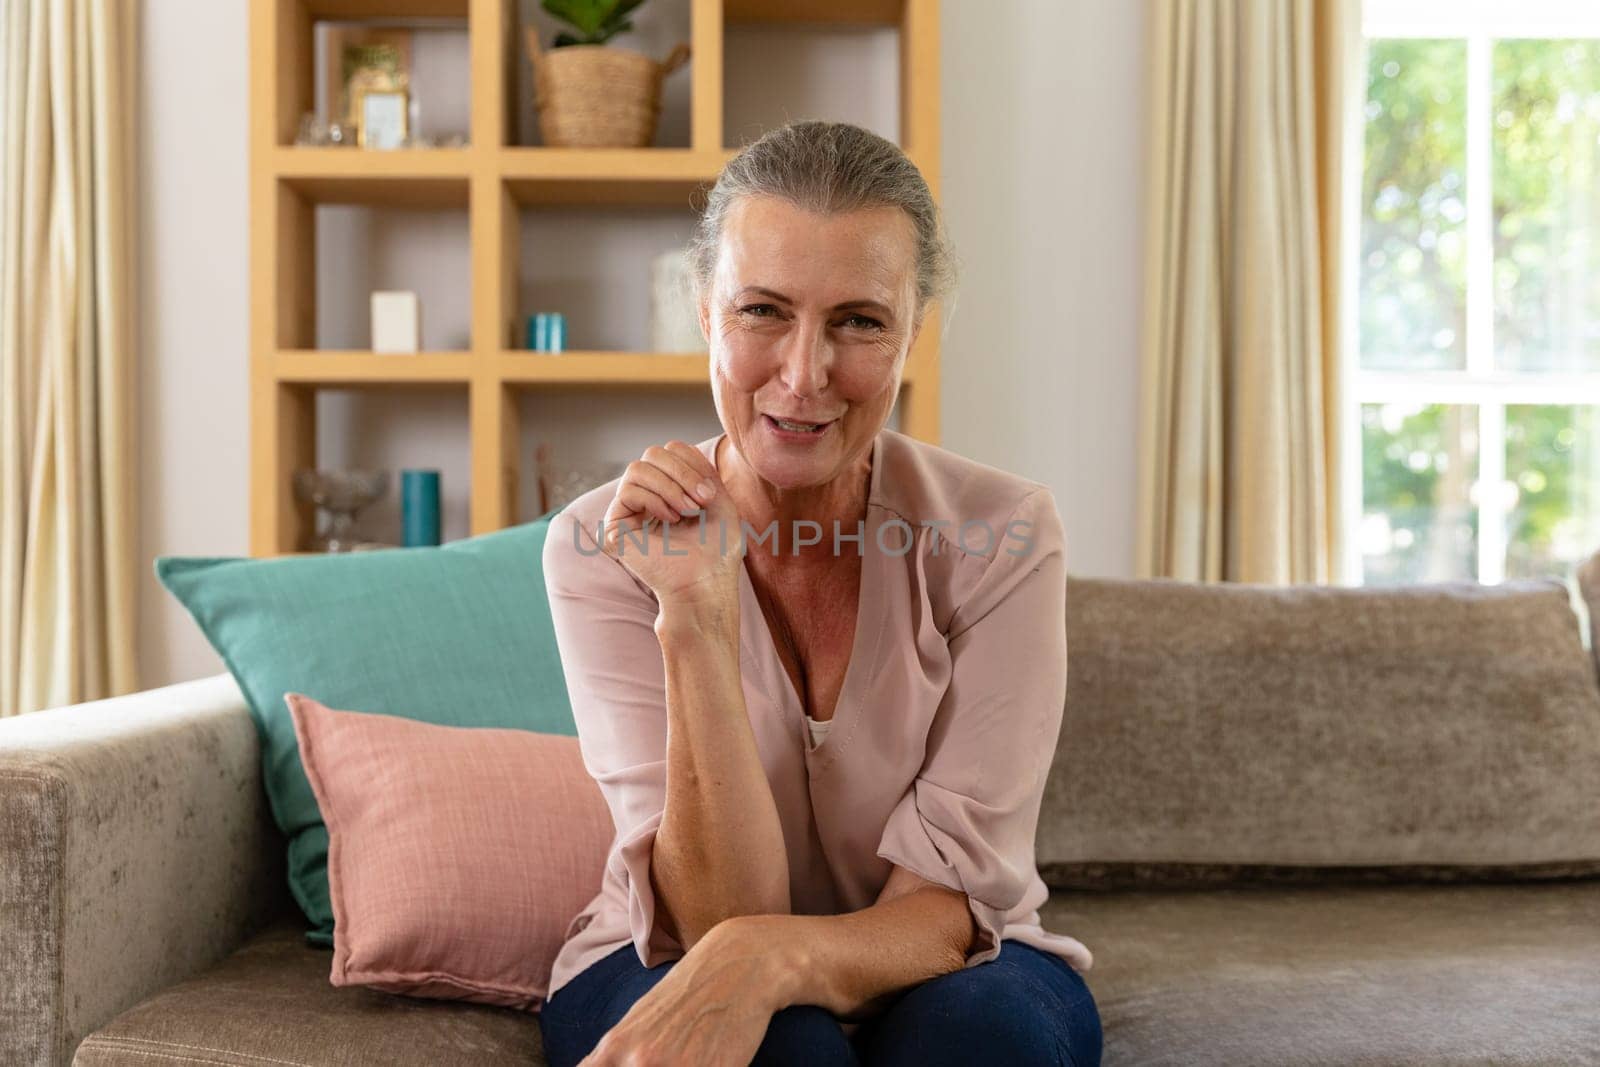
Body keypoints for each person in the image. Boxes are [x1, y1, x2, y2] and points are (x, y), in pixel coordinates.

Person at [537, 119, 1101, 1067]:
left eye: (859, 321)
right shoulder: (599, 548)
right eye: (763, 311)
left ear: (912, 332)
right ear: (705, 313)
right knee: (783, 1053)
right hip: (670, 946)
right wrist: (697, 613)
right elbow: (715, 919)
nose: (805, 376)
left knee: (985, 1044)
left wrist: (771, 955)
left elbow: (946, 903)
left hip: (949, 953)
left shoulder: (1002, 536)